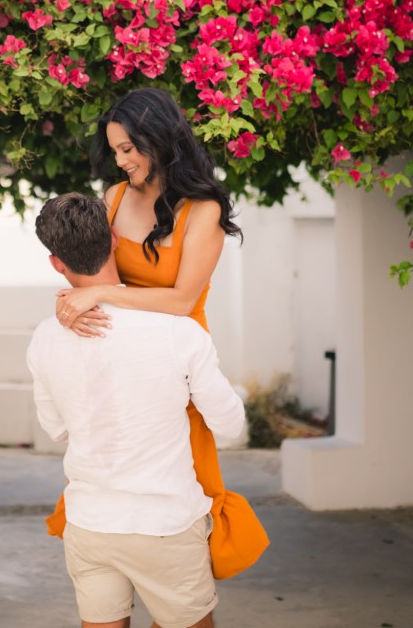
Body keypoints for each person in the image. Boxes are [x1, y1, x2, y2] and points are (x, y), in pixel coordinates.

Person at [50, 87, 269, 580]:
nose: (121, 161)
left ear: (160, 139)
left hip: (181, 363)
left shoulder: (203, 209)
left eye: (129, 148)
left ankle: (182, 596)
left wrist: (100, 297)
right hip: (123, 357)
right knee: (117, 469)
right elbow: (93, 275)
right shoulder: (114, 197)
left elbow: (181, 301)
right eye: (116, 151)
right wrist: (69, 304)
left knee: (187, 482)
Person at [28, 192, 246, 628]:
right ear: (114, 240)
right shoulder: (178, 331)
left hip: (89, 521)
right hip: (164, 522)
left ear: (56, 263)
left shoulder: (45, 337)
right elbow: (231, 425)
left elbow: (56, 428)